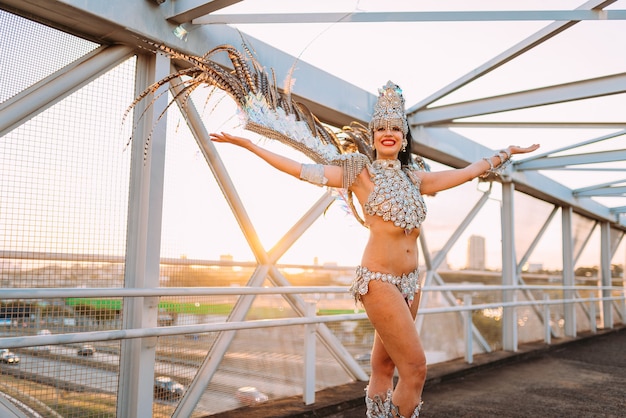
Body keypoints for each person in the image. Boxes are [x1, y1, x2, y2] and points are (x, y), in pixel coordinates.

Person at [210, 81, 539, 418]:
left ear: (404, 136)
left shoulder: (416, 179)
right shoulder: (359, 174)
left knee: (384, 367)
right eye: (381, 127)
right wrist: (250, 145)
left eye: (395, 128)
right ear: (372, 135)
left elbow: (467, 173)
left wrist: (505, 153)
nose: (388, 133)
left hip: (411, 284)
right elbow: (302, 171)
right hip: (378, 280)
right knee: (416, 368)